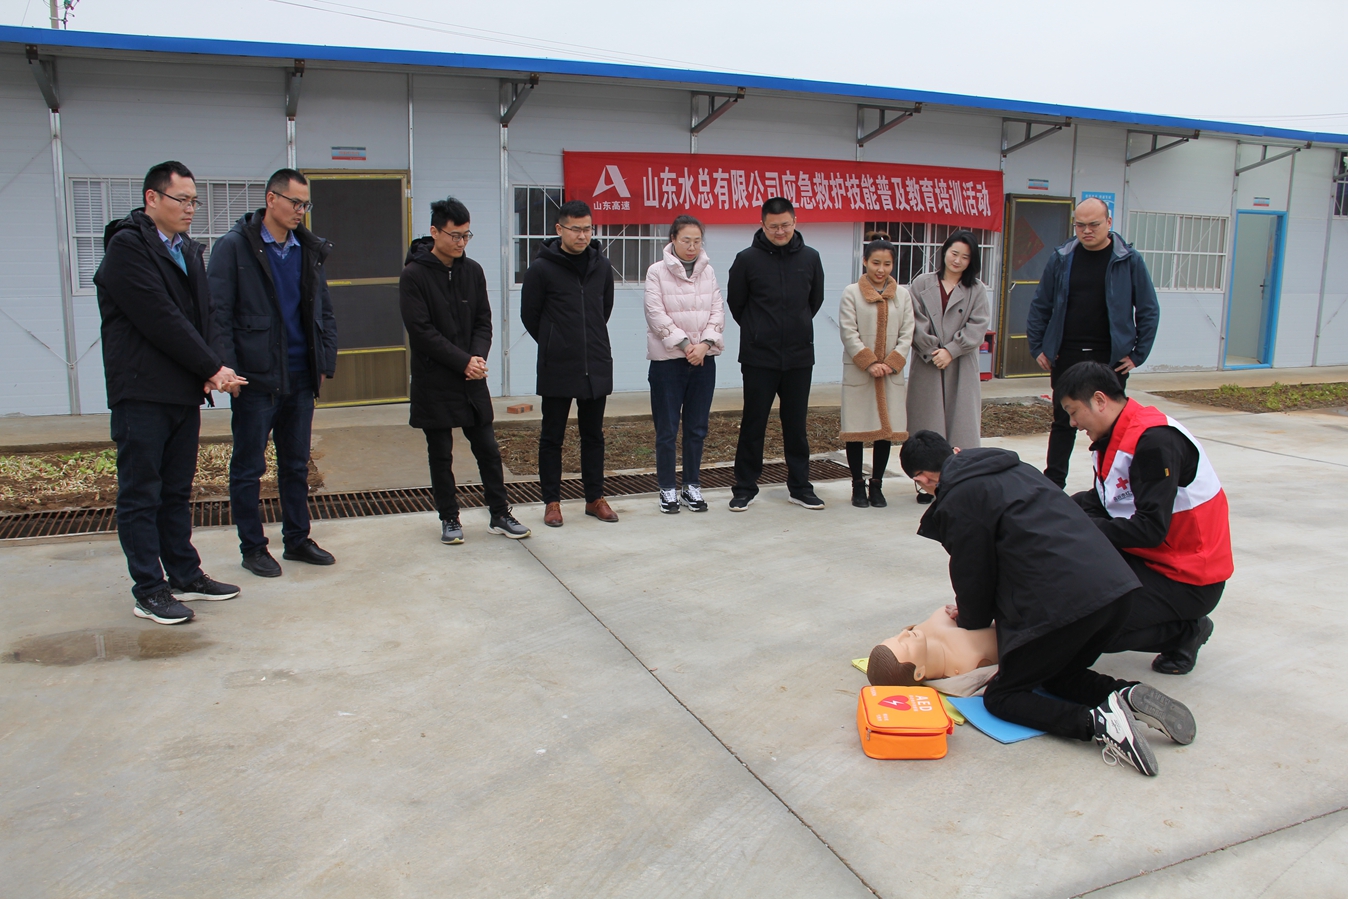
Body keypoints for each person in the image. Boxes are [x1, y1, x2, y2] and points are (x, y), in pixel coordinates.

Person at [900, 429, 1197, 777]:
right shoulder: (1016, 468)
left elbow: (973, 572)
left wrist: (969, 618)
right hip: (1117, 590)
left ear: (923, 478)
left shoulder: (959, 497)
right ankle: (1128, 695)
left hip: (1066, 604)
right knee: (1056, 675)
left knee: (1003, 696)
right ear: (955, 450)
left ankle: (1098, 723)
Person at [95, 160, 244, 624]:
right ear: (152, 198)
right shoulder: (127, 248)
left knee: (176, 491)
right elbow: (160, 318)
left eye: (194, 201)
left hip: (181, 390)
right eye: (182, 199)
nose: (190, 208)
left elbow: (206, 316)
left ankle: (184, 574)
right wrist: (210, 366)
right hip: (141, 391)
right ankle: (149, 589)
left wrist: (216, 366)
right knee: (142, 494)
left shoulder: (186, 250)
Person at [1057, 362, 1233, 675]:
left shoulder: (1155, 442)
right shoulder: (1118, 435)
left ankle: (1187, 631)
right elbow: (1103, 500)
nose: (1072, 423)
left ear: (1099, 400)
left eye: (1073, 411)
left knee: (1092, 625)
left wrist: (1080, 529)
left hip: (1188, 577)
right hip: (1155, 558)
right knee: (1074, 523)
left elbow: (1150, 530)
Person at [207, 168, 338, 578]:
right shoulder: (234, 247)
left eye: (306, 204)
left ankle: (297, 539)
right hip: (255, 379)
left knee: (296, 465)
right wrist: (226, 368)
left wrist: (324, 360)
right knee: (249, 468)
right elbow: (217, 313)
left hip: (300, 376)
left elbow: (324, 310)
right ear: (271, 199)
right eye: (295, 202)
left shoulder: (306, 249)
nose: (301, 211)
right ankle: (253, 548)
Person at [399, 198, 531, 544]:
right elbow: (421, 331)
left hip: (471, 377)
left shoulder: (472, 271)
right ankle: (449, 518)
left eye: (466, 235)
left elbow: (483, 321)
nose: (461, 242)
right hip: (435, 377)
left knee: (487, 448)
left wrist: (477, 358)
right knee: (441, 453)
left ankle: (500, 513)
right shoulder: (413, 275)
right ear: (434, 232)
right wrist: (463, 362)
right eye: (455, 235)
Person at [1027, 197, 1159, 488]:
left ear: (1109, 223)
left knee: (1110, 423)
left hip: (1110, 357)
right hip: (1066, 353)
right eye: (1080, 225)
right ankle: (1053, 486)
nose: (1087, 231)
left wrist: (1138, 354)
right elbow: (1040, 305)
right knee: (1063, 421)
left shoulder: (1129, 260)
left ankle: (1109, 484)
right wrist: (1038, 346)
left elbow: (1148, 309)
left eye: (1094, 225)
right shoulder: (1062, 258)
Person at [521, 199, 617, 527]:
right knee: (552, 436)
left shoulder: (601, 266)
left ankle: (594, 498)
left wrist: (589, 340)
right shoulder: (541, 269)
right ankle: (552, 502)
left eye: (587, 229)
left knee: (593, 436)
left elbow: (604, 309)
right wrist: (555, 341)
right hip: (558, 365)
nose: (582, 236)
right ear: (559, 229)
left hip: (596, 363)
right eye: (575, 229)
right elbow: (530, 315)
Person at [726, 197, 826, 511]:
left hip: (799, 357)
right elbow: (737, 304)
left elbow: (815, 301)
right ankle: (744, 487)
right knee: (753, 423)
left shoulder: (811, 258)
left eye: (785, 225)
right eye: (773, 226)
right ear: (762, 225)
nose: (780, 231)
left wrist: (795, 327)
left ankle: (800, 487)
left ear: (795, 222)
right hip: (759, 357)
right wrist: (759, 330)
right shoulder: (747, 259)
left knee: (796, 426)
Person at [643, 214, 725, 514]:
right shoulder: (656, 272)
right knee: (667, 430)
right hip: (668, 363)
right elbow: (655, 314)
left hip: (703, 360)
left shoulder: (708, 272)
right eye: (686, 240)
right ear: (673, 240)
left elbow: (717, 311)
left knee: (697, 428)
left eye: (697, 241)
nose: (692, 247)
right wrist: (685, 345)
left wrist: (704, 345)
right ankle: (667, 488)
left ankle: (691, 486)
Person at [906, 230, 992, 504]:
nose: (957, 260)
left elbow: (978, 326)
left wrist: (951, 351)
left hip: (960, 362)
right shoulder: (922, 283)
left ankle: (961, 481)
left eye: (965, 257)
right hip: (928, 361)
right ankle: (926, 483)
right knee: (927, 422)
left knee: (961, 422)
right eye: (954, 253)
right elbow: (913, 321)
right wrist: (933, 350)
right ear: (944, 252)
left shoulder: (977, 289)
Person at [837, 236, 913, 508]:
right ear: (865, 261)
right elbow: (848, 331)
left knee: (885, 431)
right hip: (860, 373)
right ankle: (858, 485)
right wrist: (868, 361)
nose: (881, 269)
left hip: (890, 374)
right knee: (856, 430)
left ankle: (877, 485)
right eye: (876, 263)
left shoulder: (902, 295)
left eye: (887, 264)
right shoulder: (851, 293)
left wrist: (892, 362)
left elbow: (907, 332)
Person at [867, 605, 997, 685]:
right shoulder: (967, 658)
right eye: (905, 646)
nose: (904, 633)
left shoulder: (920, 632)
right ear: (918, 673)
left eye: (895, 637)